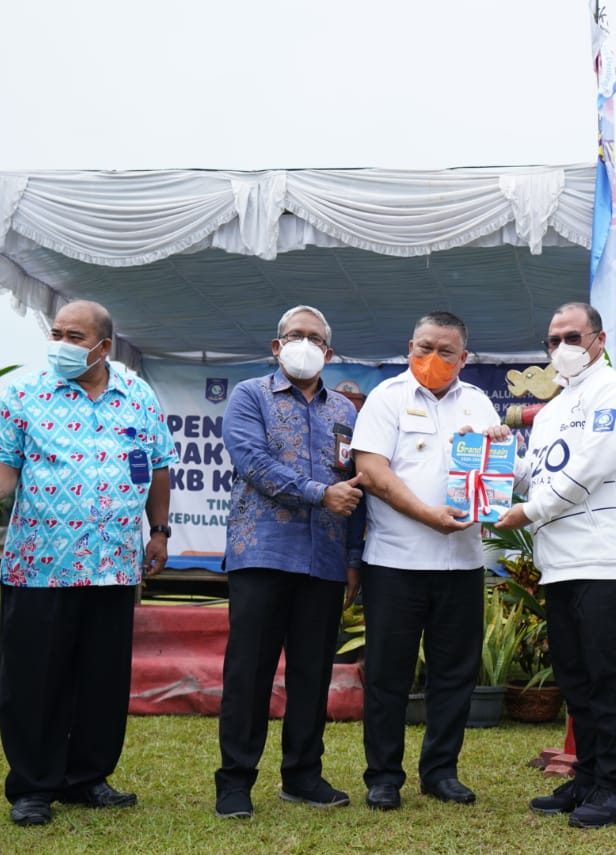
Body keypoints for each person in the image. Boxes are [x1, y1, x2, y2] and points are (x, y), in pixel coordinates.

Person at [0, 300, 178, 827]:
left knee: (103, 679)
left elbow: (158, 466)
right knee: (35, 680)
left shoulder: (138, 396)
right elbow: (3, 468)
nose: (60, 343)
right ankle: (33, 787)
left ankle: (88, 777)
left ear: (104, 346)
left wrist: (159, 531)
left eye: (74, 336)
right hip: (41, 565)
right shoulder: (24, 395)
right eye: (56, 333)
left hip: (113, 564)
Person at [495, 302, 616, 829]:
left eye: (572, 337)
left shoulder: (615, 393)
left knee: (607, 679)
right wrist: (502, 459)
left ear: (598, 340)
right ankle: (587, 779)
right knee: (576, 680)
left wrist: (527, 511)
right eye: (553, 339)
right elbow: (538, 477)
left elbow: (590, 469)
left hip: (607, 561)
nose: (562, 347)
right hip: (559, 564)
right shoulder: (552, 411)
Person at [213, 306, 365, 820]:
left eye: (314, 338)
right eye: (295, 335)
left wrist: (353, 557)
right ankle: (235, 781)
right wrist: (320, 494)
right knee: (249, 672)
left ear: (329, 352)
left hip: (325, 559)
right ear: (276, 346)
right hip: (262, 552)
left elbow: (357, 488)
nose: (305, 344)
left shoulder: (346, 412)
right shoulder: (250, 395)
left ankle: (302, 775)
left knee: (312, 672)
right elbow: (252, 463)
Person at [350, 311, 500, 811]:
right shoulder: (387, 397)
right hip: (396, 561)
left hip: (462, 563)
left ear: (464, 357)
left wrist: (500, 469)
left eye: (445, 351)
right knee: (388, 675)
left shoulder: (478, 402)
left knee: (455, 674)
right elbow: (372, 471)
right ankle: (384, 777)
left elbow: (496, 473)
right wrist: (427, 515)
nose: (432, 358)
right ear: (409, 346)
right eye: (424, 347)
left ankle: (441, 772)